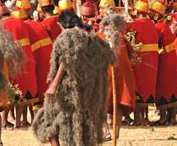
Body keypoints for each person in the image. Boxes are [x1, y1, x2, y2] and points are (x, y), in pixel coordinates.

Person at [32, 11, 115, 146]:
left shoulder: (67, 37)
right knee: (81, 126)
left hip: (69, 89)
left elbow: (66, 60)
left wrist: (54, 85)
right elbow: (107, 58)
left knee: (48, 121)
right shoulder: (93, 38)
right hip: (89, 89)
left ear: (61, 24)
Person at [97, 13, 135, 140]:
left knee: (100, 102)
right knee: (118, 103)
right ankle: (115, 133)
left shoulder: (98, 37)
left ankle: (106, 131)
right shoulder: (122, 38)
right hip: (120, 75)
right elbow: (133, 56)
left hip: (104, 74)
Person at [129, 0, 159, 125]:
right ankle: (145, 117)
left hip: (139, 60)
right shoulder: (153, 25)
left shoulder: (134, 24)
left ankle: (137, 118)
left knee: (138, 89)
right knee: (147, 89)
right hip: (152, 60)